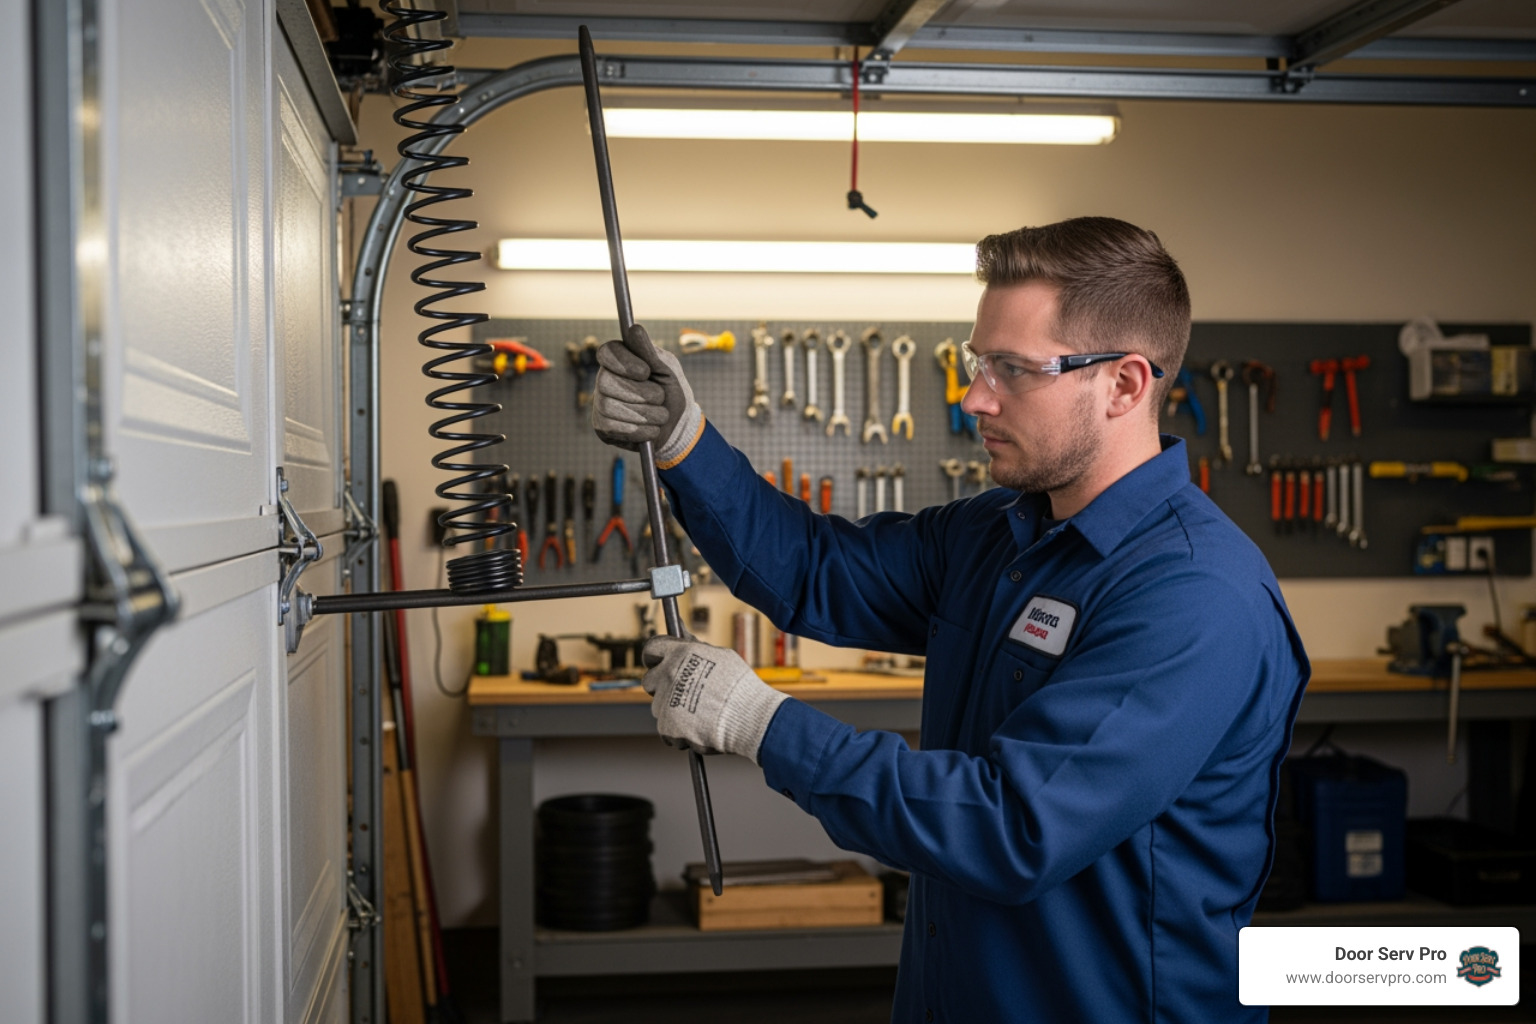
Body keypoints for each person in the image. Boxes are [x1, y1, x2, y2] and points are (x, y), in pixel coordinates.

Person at [590, 216, 1310, 1023]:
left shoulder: (1194, 594)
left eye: (1013, 369)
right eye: (979, 362)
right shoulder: (995, 532)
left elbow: (1013, 826)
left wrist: (759, 722)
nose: (975, 397)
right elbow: (814, 570)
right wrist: (686, 442)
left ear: (1125, 385)